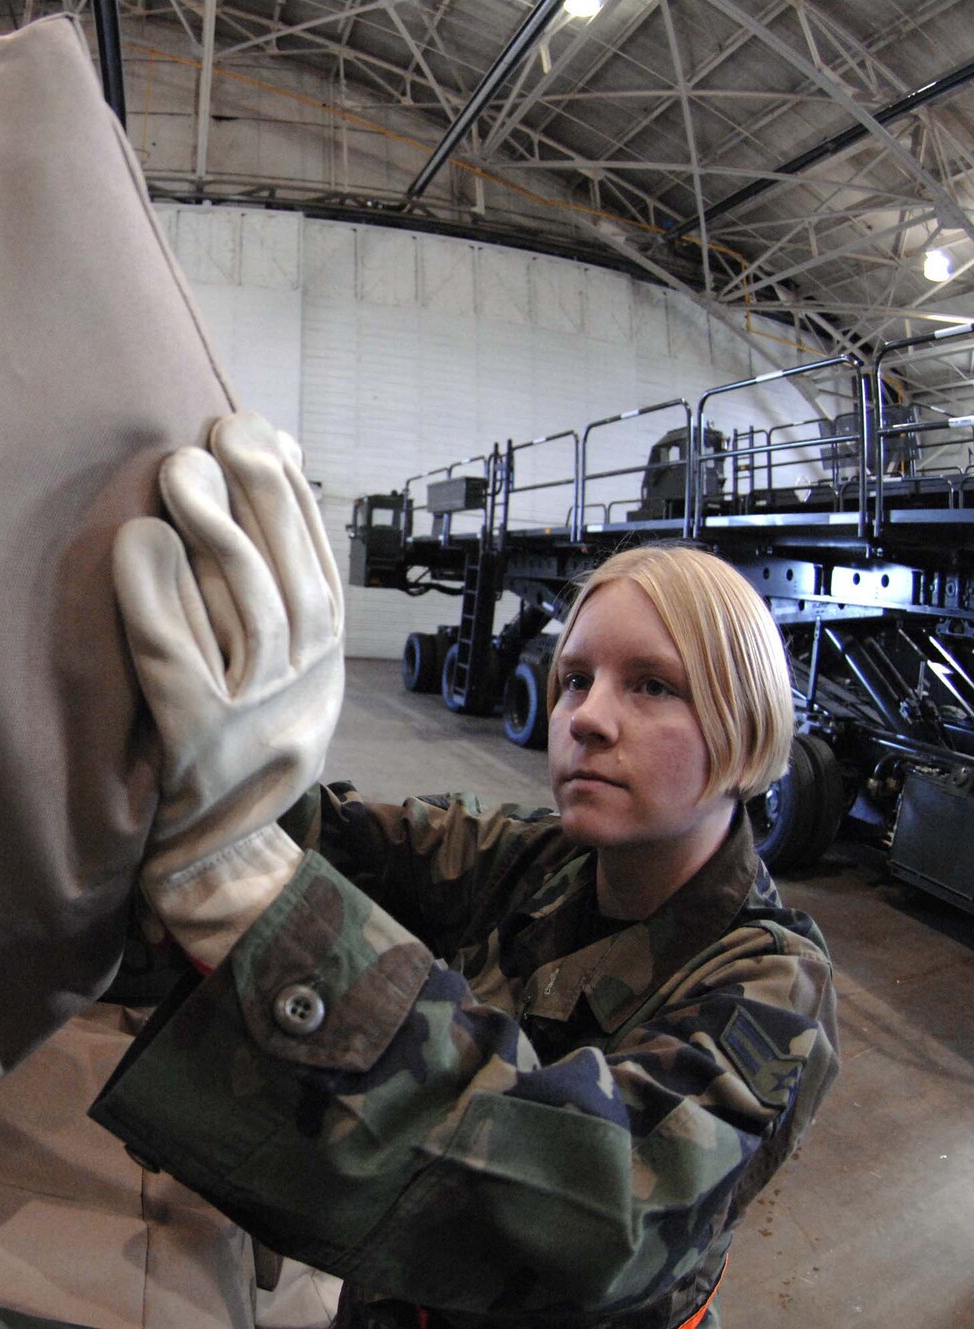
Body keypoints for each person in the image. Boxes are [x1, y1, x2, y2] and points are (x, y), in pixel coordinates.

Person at [94, 414, 839, 1329]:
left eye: (652, 685)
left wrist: (263, 918)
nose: (587, 718)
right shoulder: (540, 860)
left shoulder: (773, 983)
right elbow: (347, 840)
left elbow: (609, 1211)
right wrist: (239, 776)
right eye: (574, 680)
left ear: (744, 722)